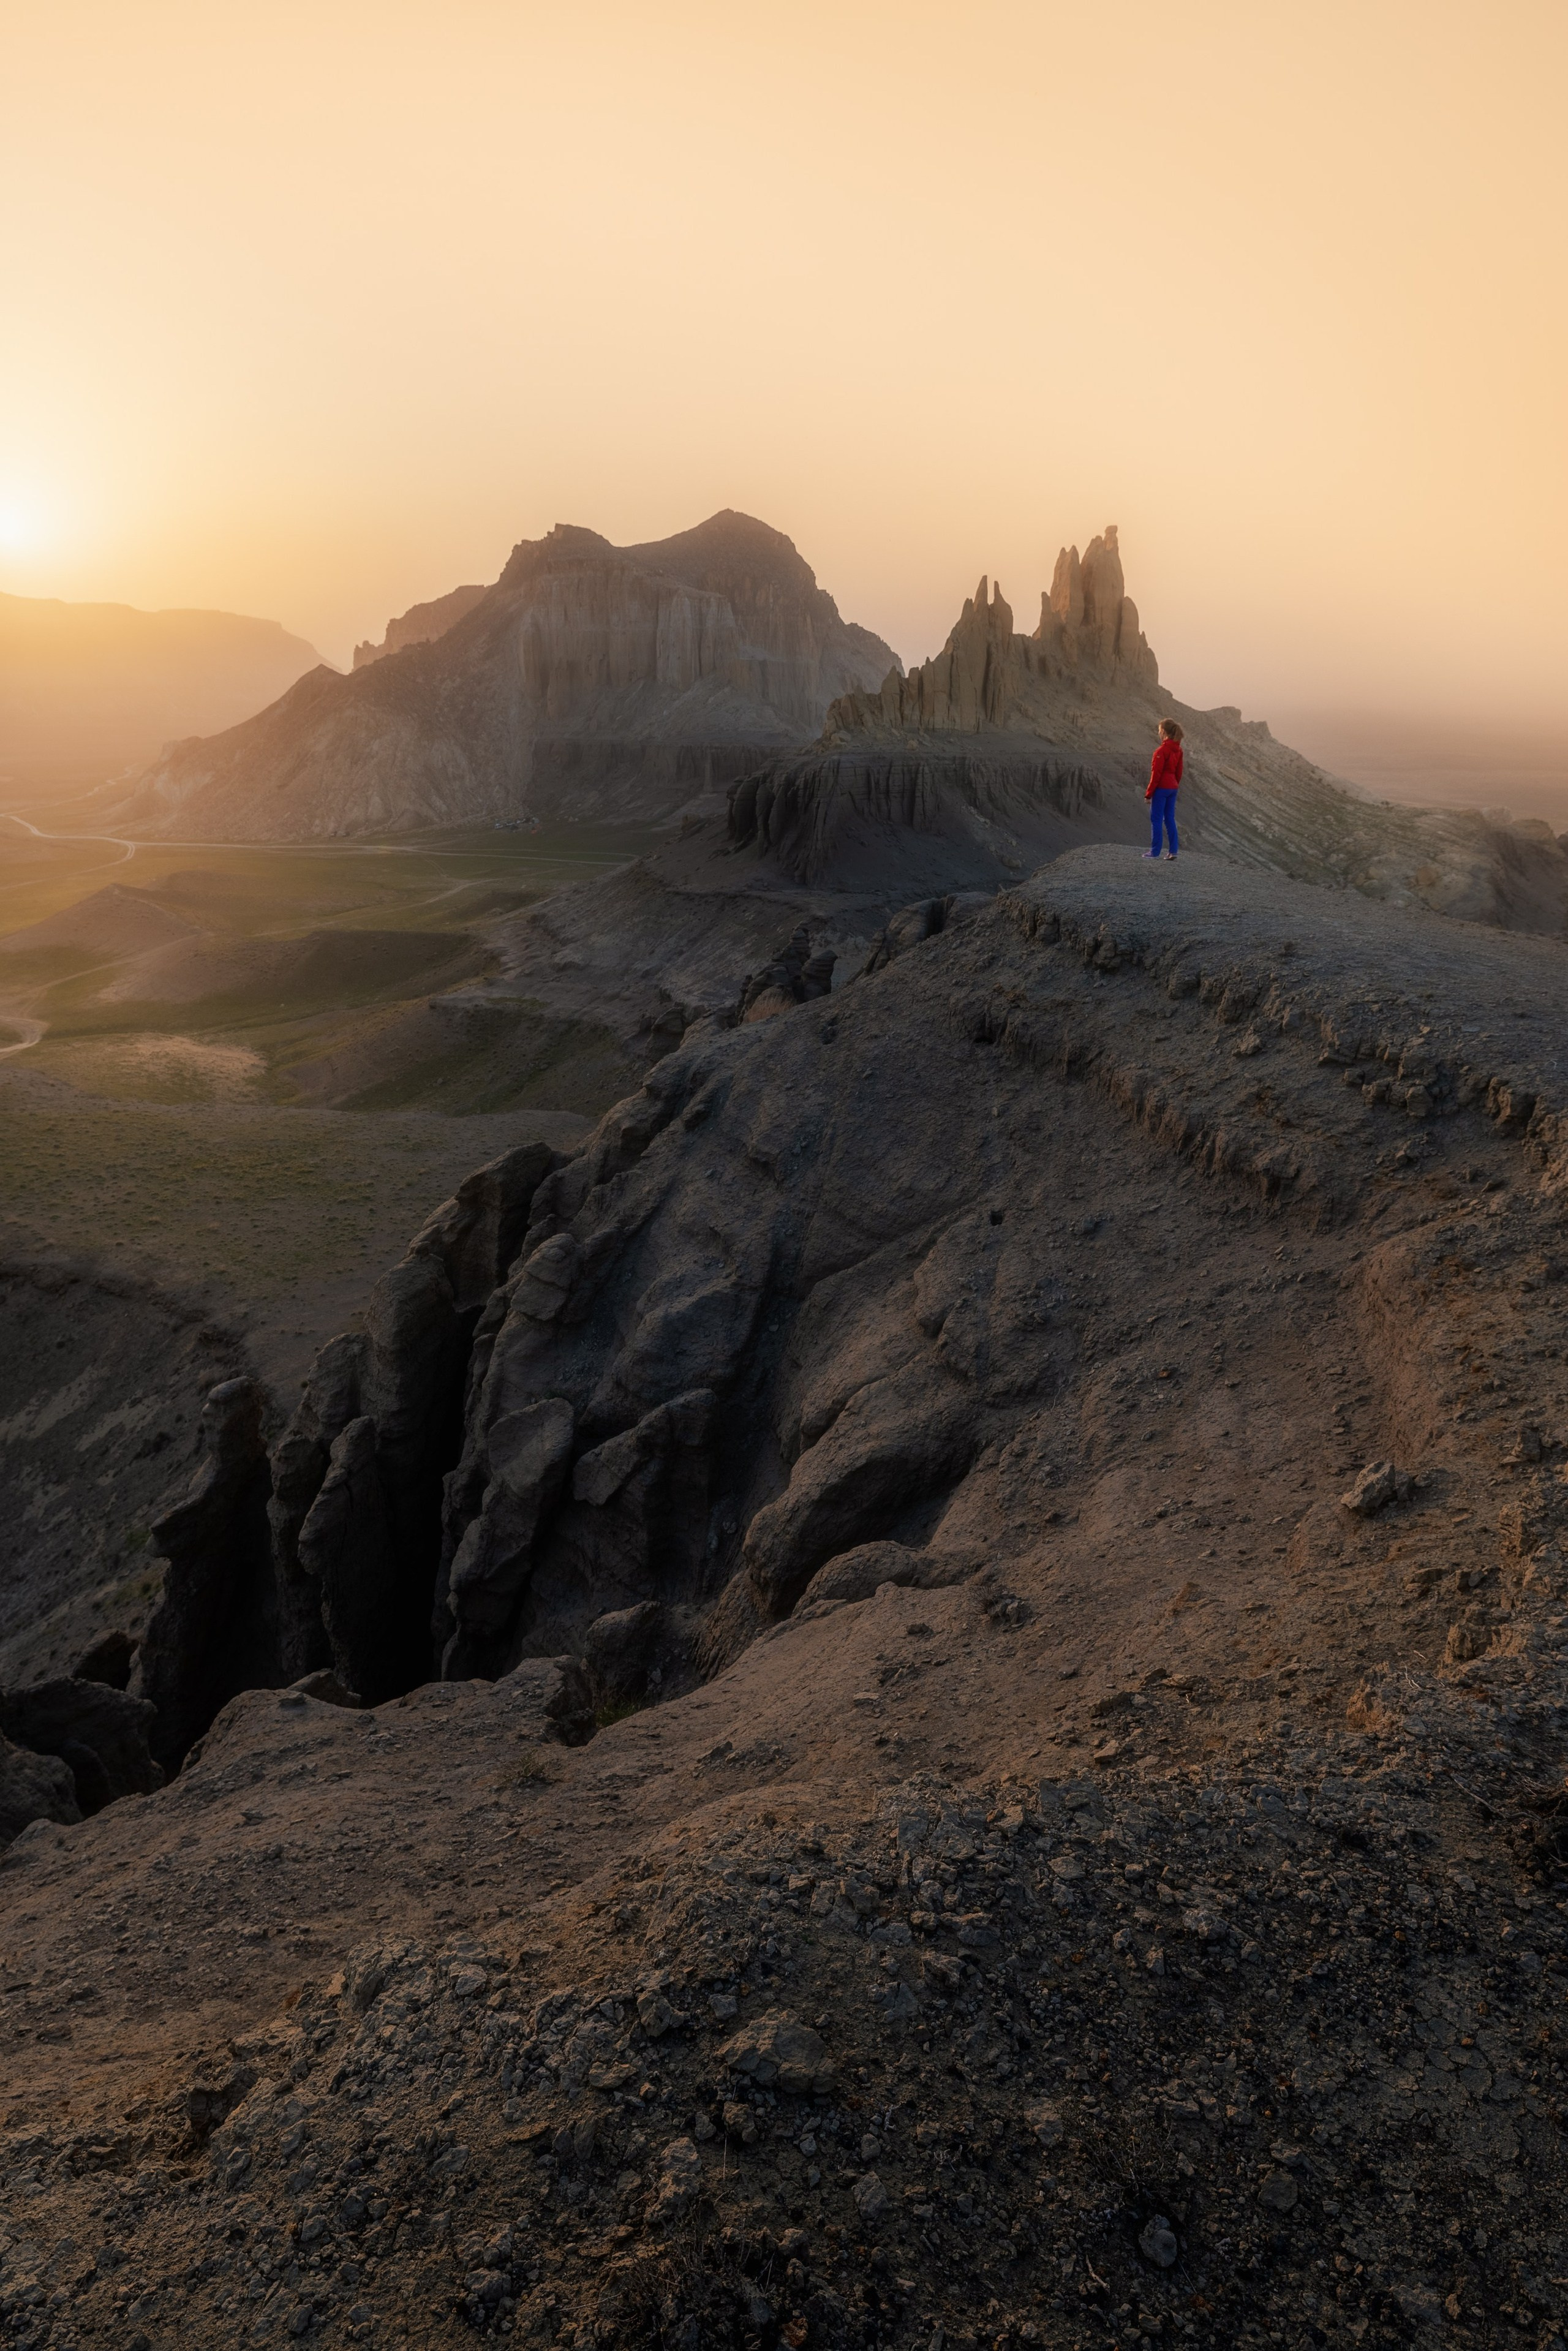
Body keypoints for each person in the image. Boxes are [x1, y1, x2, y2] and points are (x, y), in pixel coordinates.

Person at [1144, 717, 1183, 859]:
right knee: (1170, 819)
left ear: (1165, 733)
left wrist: (1149, 794)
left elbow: (1156, 775)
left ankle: (1154, 852)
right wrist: (1174, 784)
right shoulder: (1179, 750)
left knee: (1156, 819)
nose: (1159, 733)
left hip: (1162, 788)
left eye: (1160, 731)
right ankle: (1173, 851)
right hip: (1173, 787)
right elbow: (1179, 772)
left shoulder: (1161, 751)